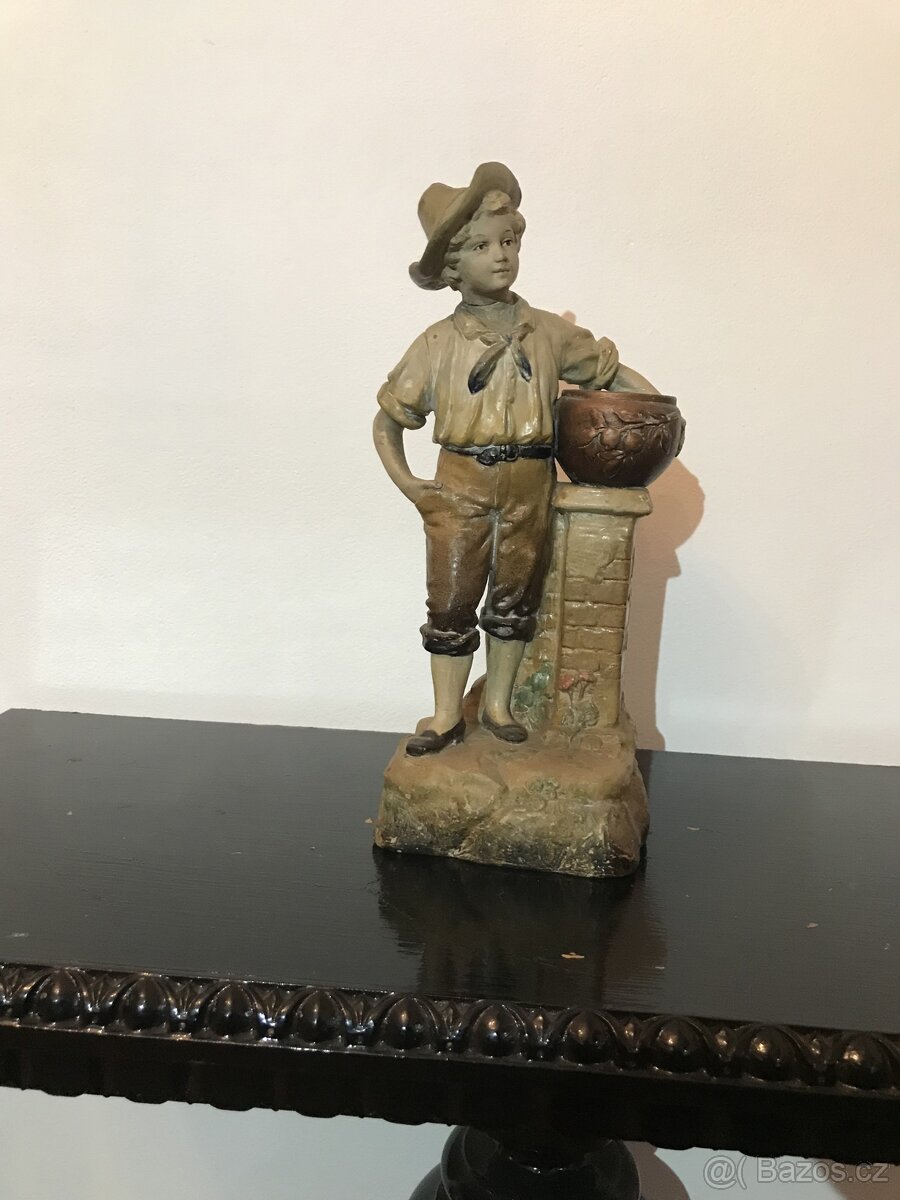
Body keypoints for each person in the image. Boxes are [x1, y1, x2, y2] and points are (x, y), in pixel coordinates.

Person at [373, 163, 656, 756]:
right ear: (453, 267)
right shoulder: (436, 344)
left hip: (531, 481)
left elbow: (607, 372)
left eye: (508, 241)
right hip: (461, 483)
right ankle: (446, 713)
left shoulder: (548, 334)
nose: (500, 255)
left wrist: (657, 412)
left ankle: (497, 705)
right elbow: (388, 421)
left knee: (514, 598)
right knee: (451, 599)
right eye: (480, 246)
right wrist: (413, 487)